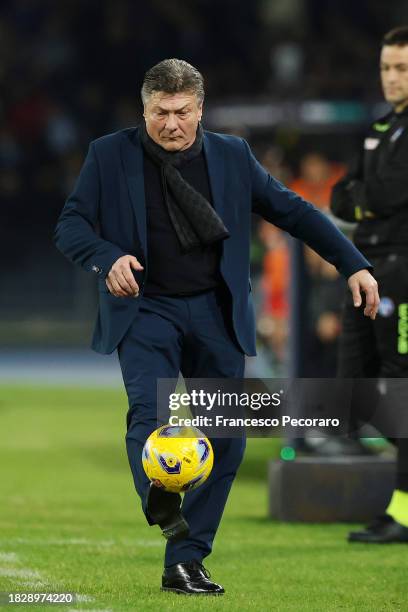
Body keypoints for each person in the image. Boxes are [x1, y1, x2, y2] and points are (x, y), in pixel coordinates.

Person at [54, 58, 379, 595]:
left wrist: (354, 264)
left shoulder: (233, 156)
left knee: (227, 437)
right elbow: (70, 224)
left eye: (182, 111)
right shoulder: (108, 155)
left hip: (214, 311)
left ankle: (185, 560)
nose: (171, 123)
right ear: (145, 109)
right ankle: (160, 495)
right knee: (150, 413)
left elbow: (294, 211)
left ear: (200, 109)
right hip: (145, 308)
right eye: (160, 112)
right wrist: (106, 257)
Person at [331, 26, 408, 543]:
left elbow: (389, 189)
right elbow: (342, 197)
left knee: (399, 388)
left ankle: (402, 512)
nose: (391, 77)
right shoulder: (380, 126)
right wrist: (371, 198)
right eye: (385, 68)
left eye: (401, 68)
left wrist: (369, 196)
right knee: (351, 386)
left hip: (404, 270)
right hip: (367, 266)